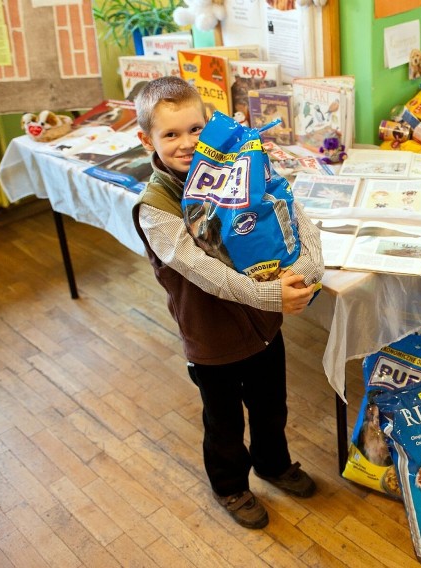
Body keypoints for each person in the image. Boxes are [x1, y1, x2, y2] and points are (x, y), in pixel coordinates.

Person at [131, 76, 325, 530]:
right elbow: (202, 270)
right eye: (171, 134)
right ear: (147, 140)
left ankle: (273, 465)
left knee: (270, 405)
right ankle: (229, 486)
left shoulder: (241, 165)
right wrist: (270, 294)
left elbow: (292, 212)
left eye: (196, 129)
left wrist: (311, 269)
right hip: (211, 337)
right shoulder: (156, 205)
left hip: (262, 326)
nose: (186, 143)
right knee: (223, 423)